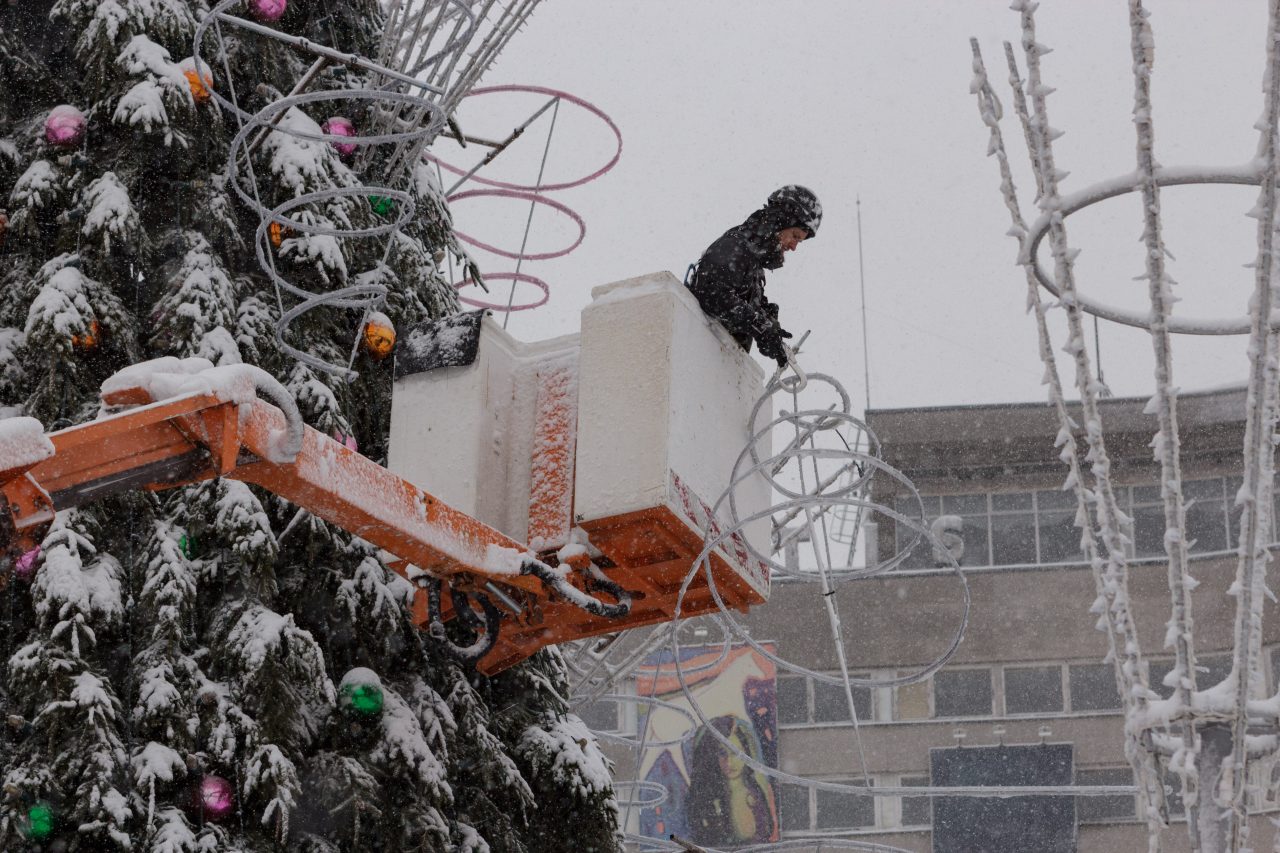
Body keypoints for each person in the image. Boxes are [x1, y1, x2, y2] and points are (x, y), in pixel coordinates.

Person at [686, 185, 821, 368]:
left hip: (713, 370)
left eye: (799, 241)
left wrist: (768, 323)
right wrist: (759, 325)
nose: (794, 247)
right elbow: (712, 293)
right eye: (795, 236)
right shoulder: (735, 246)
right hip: (694, 360)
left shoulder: (753, 263)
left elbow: (739, 304)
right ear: (781, 222)